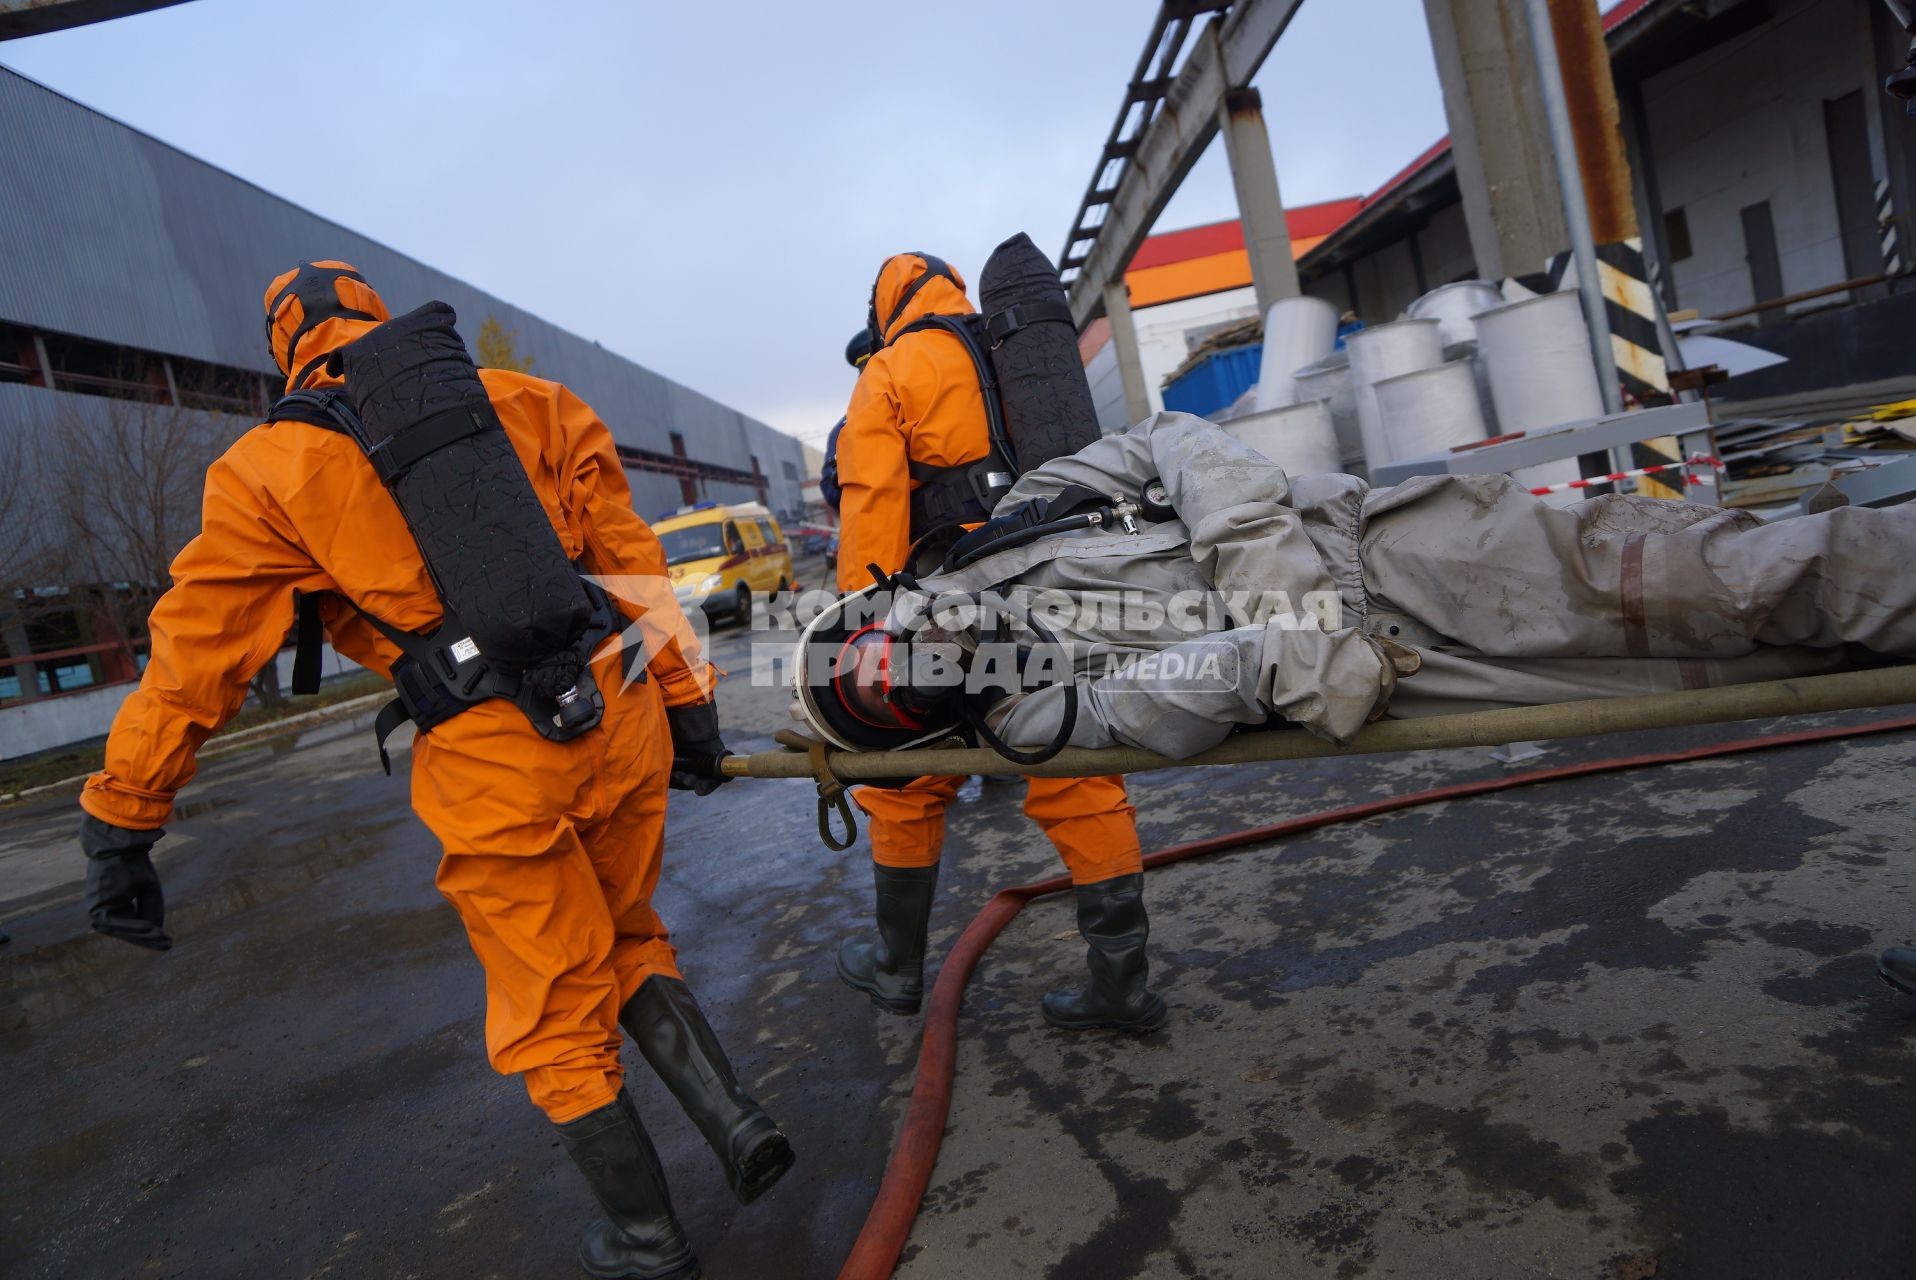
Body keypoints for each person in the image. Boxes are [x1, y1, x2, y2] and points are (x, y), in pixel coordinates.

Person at [78, 261, 791, 1280]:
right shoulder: (533, 400)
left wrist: (123, 817)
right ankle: (735, 1120)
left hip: (495, 751)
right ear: (375, 318)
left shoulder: (268, 468)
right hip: (617, 703)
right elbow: (633, 563)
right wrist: (688, 706)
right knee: (629, 927)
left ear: (284, 347)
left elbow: (195, 660)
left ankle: (647, 1235)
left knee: (552, 1002)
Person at [803, 409, 1916, 766]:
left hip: (1395, 547)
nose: (920, 658)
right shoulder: (1050, 718)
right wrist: (1291, 649)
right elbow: (1221, 683)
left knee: (1749, 574)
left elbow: (1177, 440)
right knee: (1766, 652)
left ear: (876, 607)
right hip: (1423, 665)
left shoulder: (1029, 511)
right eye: (905, 691)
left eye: (885, 646)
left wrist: (1283, 606)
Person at [830, 252, 1163, 1033]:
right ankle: (1123, 988)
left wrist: (860, 634)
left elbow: (870, 521)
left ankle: (897, 968)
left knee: (906, 779)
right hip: (1055, 585)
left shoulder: (892, 369)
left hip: (954, 607)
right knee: (1079, 770)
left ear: (886, 308)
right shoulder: (1018, 355)